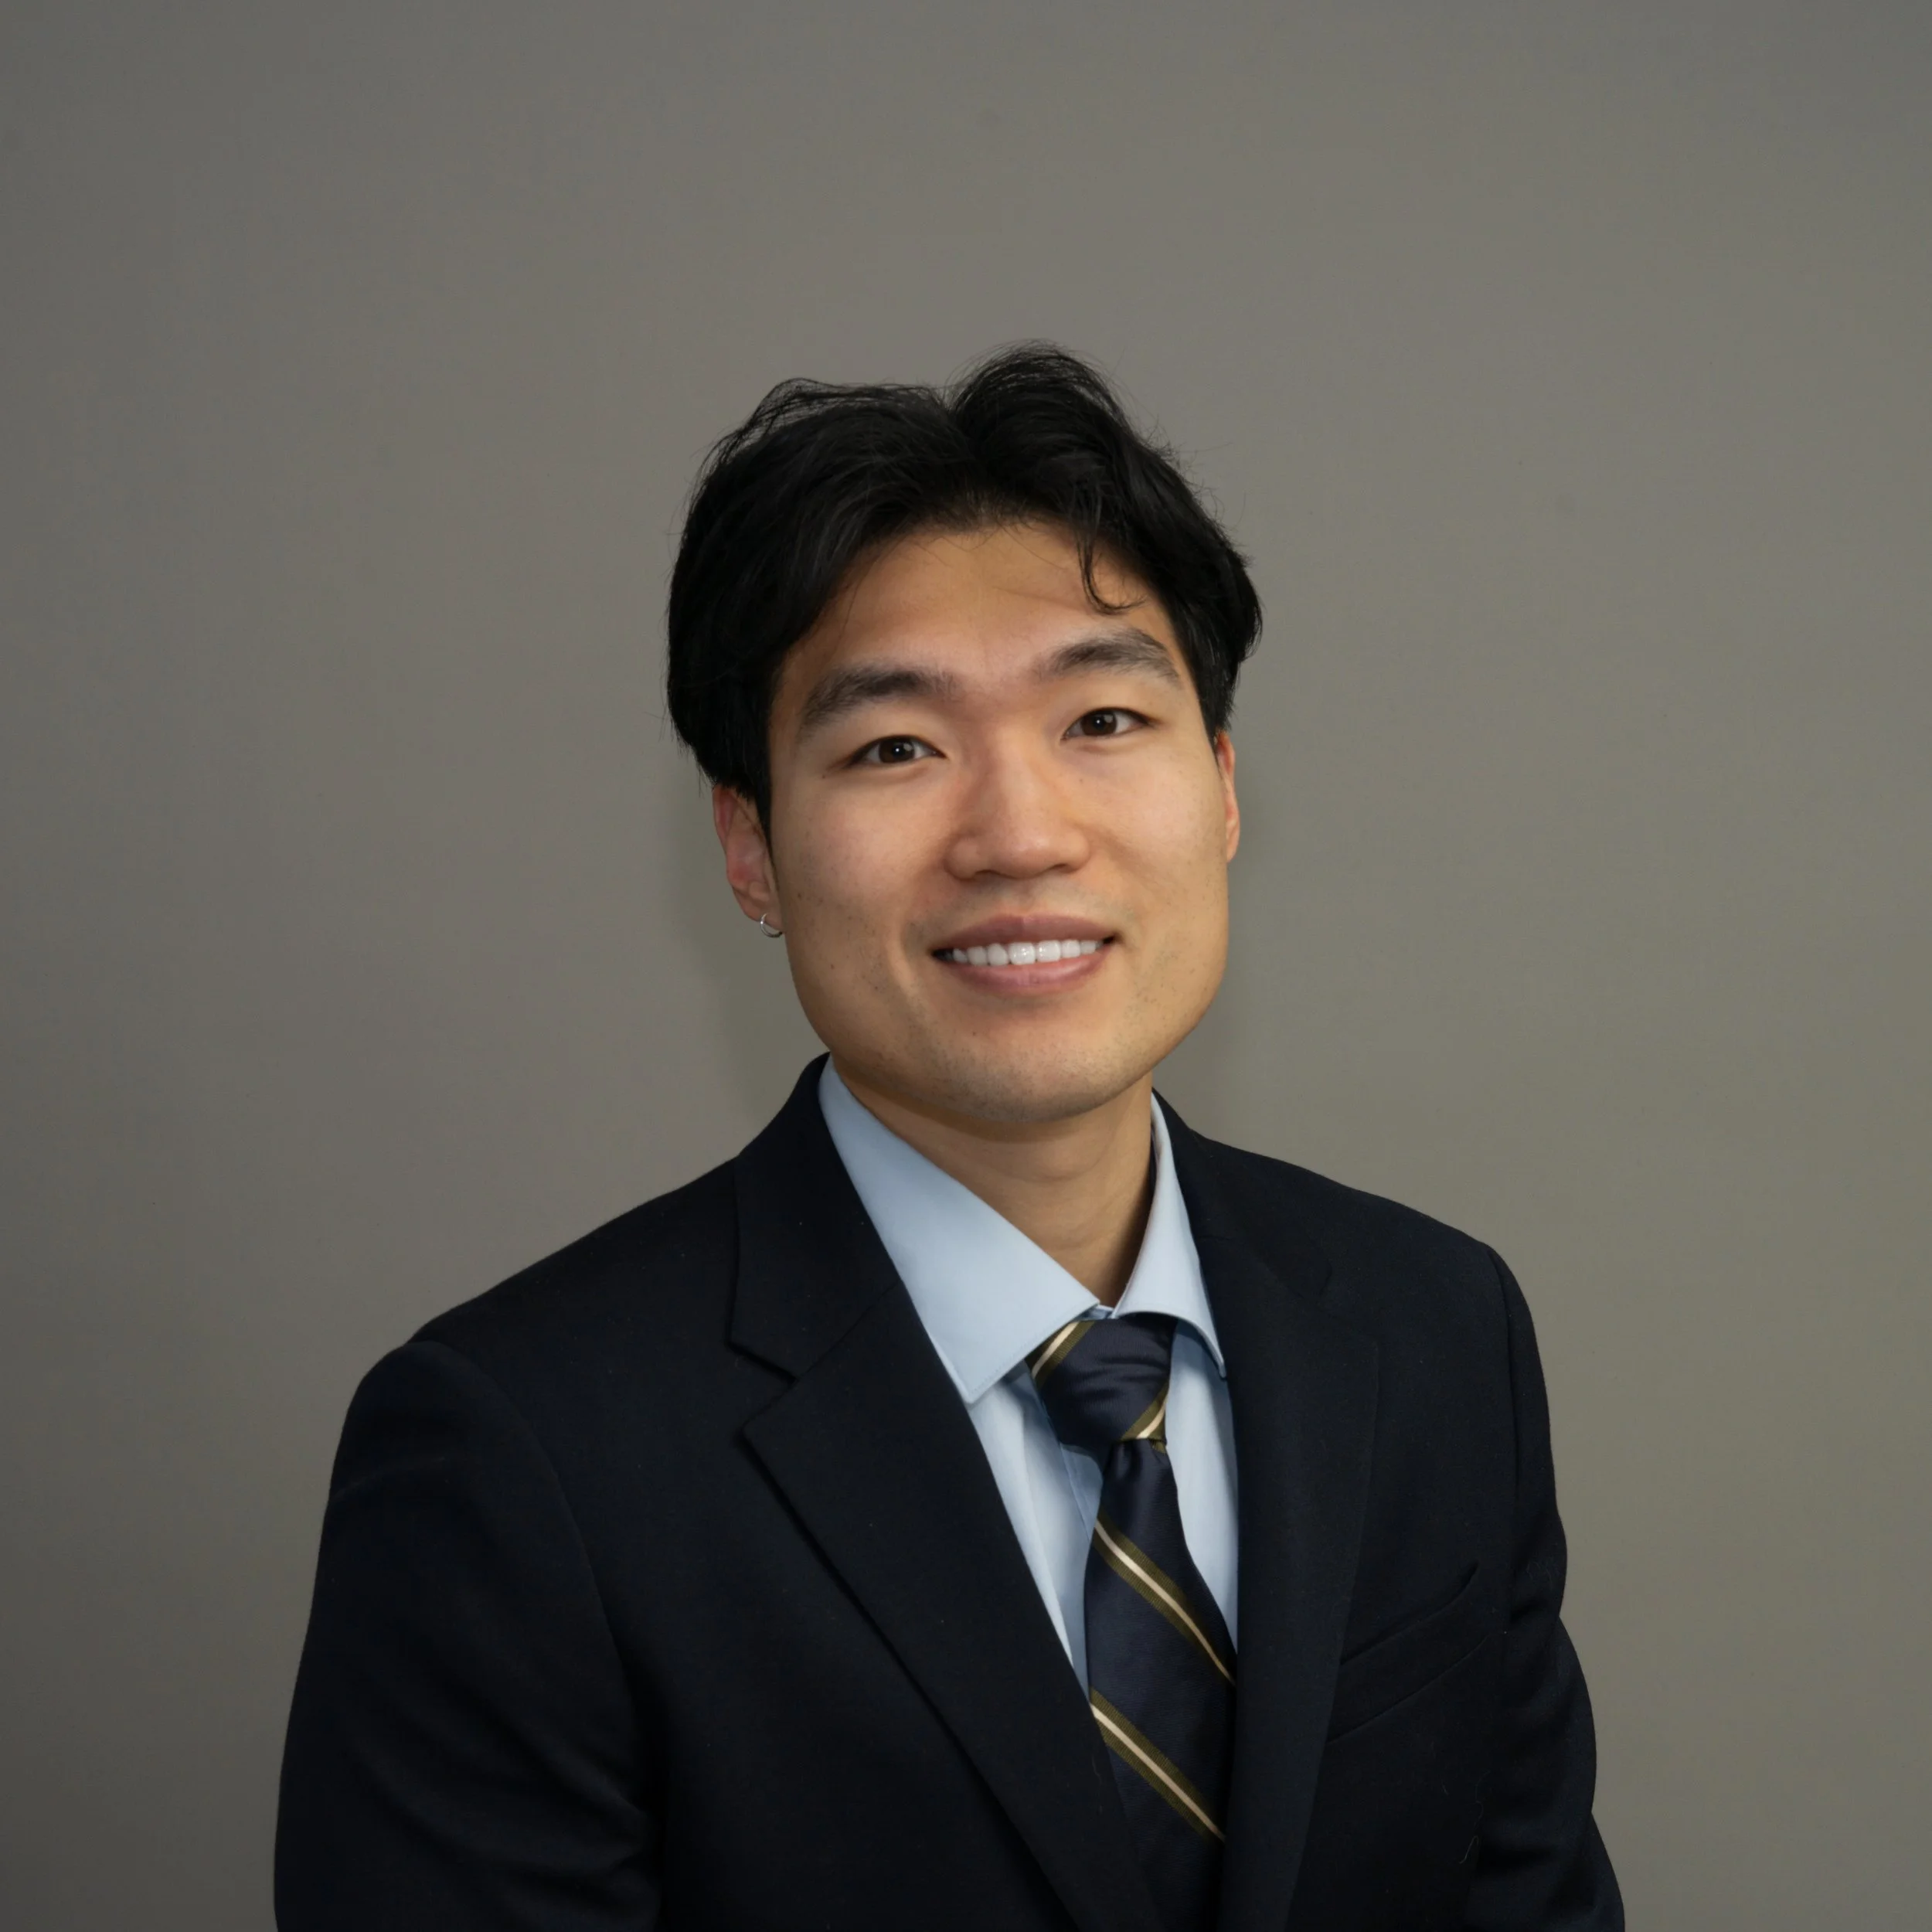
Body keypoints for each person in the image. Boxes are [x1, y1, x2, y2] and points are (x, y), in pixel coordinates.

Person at [276, 346, 1623, 1931]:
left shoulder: (1433, 1327)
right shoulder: (522, 1456)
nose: (1020, 832)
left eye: (1104, 715)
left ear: (1225, 788)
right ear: (749, 847)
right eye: (894, 747)